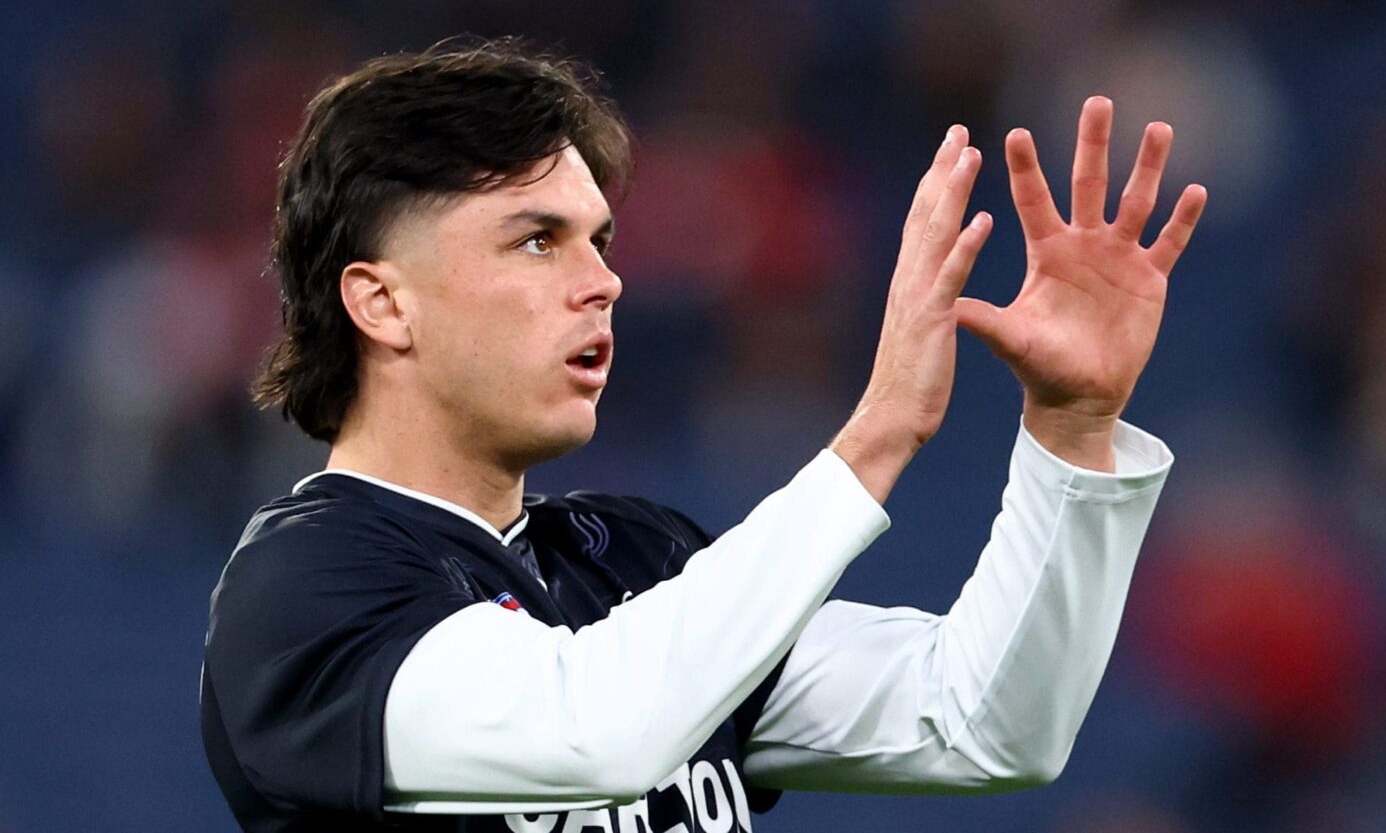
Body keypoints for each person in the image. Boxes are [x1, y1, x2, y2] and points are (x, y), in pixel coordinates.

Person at [200, 40, 1208, 832]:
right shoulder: (304, 590)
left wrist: (1072, 431)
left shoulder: (632, 558)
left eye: (598, 239)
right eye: (536, 239)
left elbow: (981, 724)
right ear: (382, 303)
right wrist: (876, 434)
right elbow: (593, 729)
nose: (602, 279)